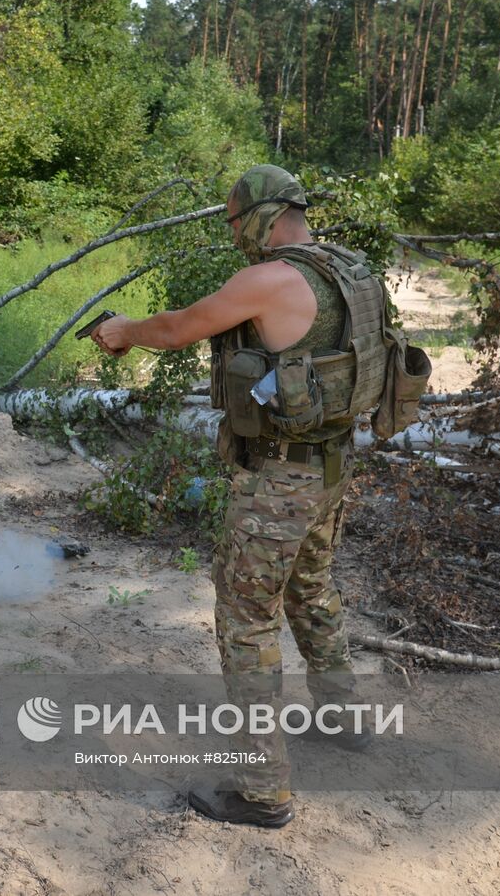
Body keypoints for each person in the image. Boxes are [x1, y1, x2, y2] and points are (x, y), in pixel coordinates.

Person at [90, 164, 398, 828]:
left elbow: (176, 328)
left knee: (246, 617)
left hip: (280, 478)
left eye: (235, 223)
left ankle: (262, 789)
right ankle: (344, 716)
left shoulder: (272, 278)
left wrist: (123, 330)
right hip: (333, 465)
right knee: (312, 589)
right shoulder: (352, 270)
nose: (234, 238)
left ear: (261, 215)